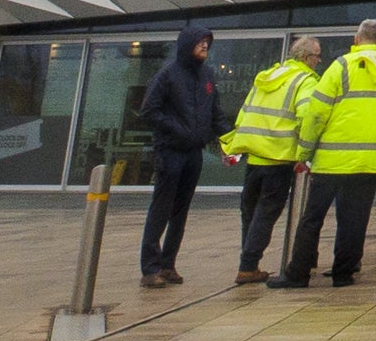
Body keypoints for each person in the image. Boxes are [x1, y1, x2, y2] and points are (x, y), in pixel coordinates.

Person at [276, 17, 376, 290]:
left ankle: (298, 274)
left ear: (356, 39)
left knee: (312, 218)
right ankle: (343, 274)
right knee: (355, 220)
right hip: (369, 163)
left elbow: (317, 112)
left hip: (332, 161)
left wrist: (304, 150)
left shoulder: (341, 67)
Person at [225, 34, 321, 287]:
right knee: (266, 214)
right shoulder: (305, 80)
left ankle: (249, 263)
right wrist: (306, 151)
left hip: (255, 156)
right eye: (317, 56)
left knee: (250, 212)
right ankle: (247, 266)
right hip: (279, 157)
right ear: (306, 58)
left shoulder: (267, 76)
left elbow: (244, 113)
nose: (319, 61)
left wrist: (235, 148)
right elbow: (307, 117)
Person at [134, 24, 218, 287]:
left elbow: (216, 113)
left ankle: (168, 264)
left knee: (181, 211)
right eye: (200, 41)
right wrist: (177, 128)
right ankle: (150, 267)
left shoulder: (207, 75)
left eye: (207, 42)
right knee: (162, 207)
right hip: (170, 151)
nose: (205, 46)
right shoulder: (168, 74)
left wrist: (228, 138)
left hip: (194, 152)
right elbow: (149, 110)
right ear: (187, 44)